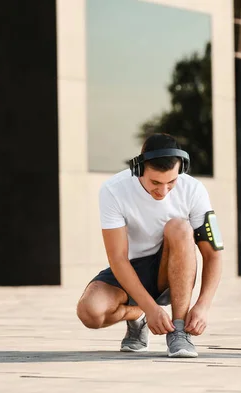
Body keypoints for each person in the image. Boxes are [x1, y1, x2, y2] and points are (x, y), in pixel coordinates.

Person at [76, 133, 224, 358]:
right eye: (155, 182)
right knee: (90, 313)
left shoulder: (194, 190)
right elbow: (117, 258)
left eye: (171, 182)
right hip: (130, 268)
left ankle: (179, 330)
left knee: (180, 227)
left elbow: (213, 254)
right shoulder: (113, 190)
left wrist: (203, 305)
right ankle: (137, 316)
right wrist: (150, 309)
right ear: (138, 169)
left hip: (173, 264)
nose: (163, 191)